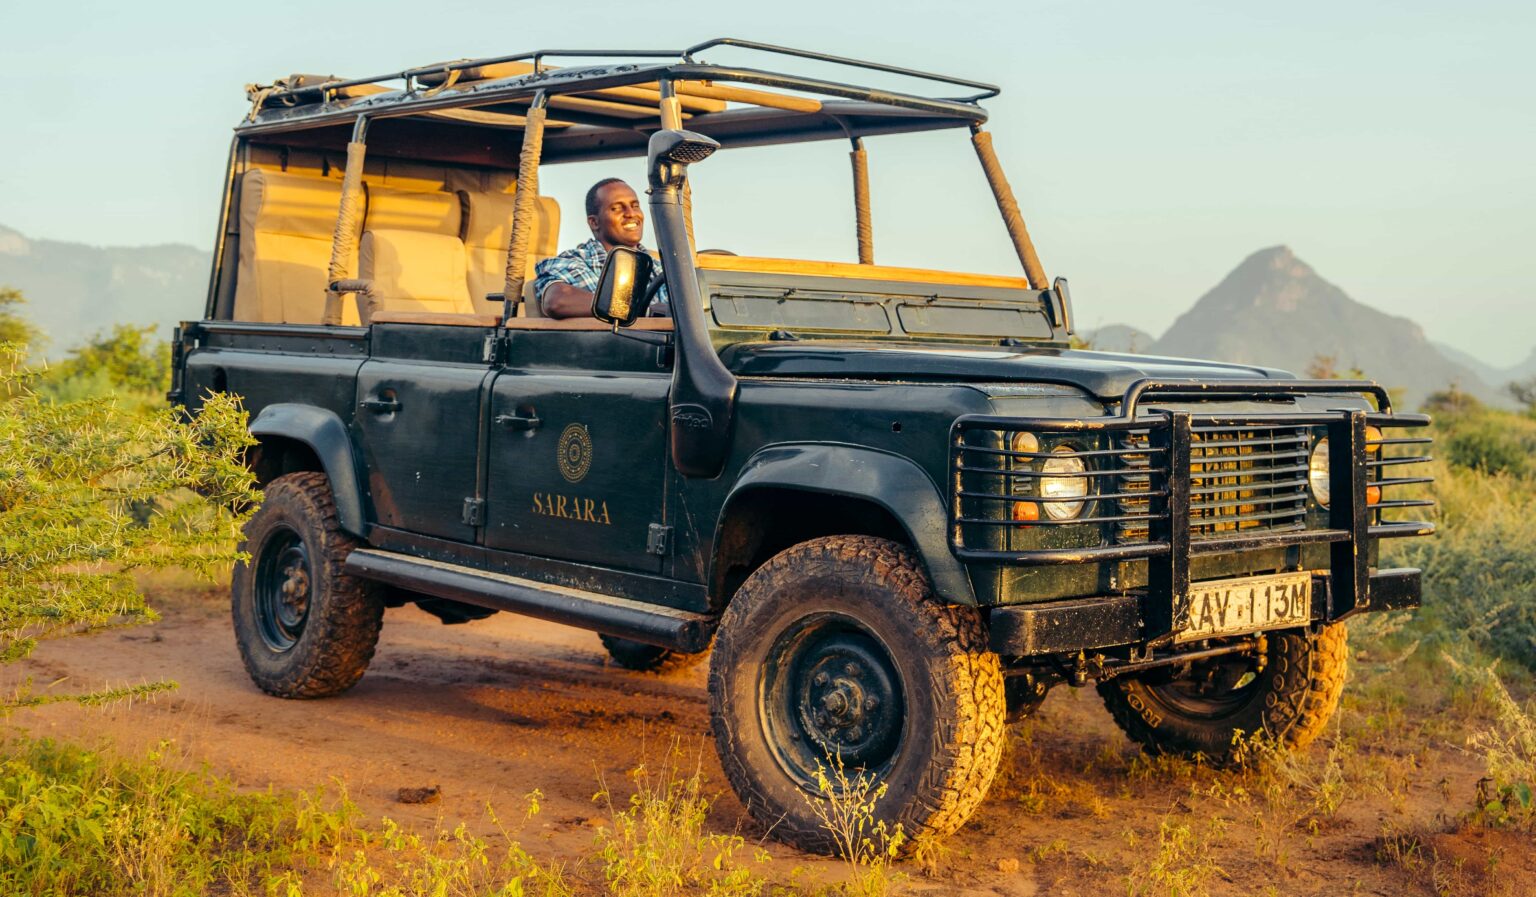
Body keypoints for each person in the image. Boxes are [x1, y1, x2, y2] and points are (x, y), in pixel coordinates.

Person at [532, 178, 669, 319]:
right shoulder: (575, 261)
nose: (631, 214)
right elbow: (557, 301)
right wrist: (639, 310)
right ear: (594, 222)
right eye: (616, 208)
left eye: (635, 206)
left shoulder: (659, 268)